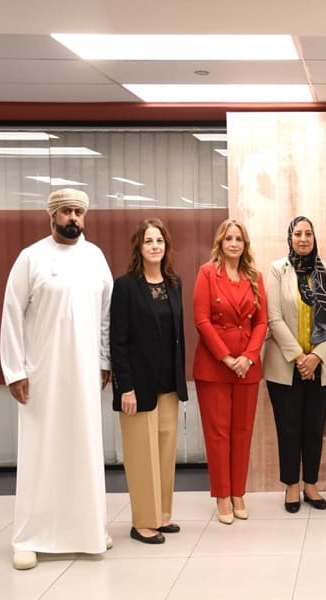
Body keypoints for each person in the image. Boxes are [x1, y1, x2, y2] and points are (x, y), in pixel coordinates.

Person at [0, 189, 113, 570]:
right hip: (41, 374)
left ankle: (88, 529)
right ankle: (29, 537)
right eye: (67, 211)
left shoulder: (95, 257)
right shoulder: (30, 258)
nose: (74, 218)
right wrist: (14, 370)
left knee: (83, 448)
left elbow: (105, 315)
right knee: (42, 452)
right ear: (52, 216)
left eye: (79, 211)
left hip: (84, 375)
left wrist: (104, 359)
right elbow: (12, 313)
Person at [110, 218, 187, 544]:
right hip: (138, 387)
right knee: (142, 455)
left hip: (169, 385)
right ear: (139, 248)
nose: (155, 246)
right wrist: (124, 386)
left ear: (166, 246)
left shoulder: (174, 283)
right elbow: (118, 339)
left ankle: (162, 516)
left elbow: (176, 337)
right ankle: (142, 521)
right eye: (148, 241)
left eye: (159, 241)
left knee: (165, 453)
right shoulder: (126, 286)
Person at [193, 219, 267, 524]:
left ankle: (238, 493)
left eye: (239, 239)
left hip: (246, 368)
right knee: (218, 434)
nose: (234, 243)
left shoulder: (255, 276)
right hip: (214, 367)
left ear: (245, 244)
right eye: (228, 238)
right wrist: (226, 357)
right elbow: (201, 320)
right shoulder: (207, 273)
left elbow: (261, 322)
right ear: (220, 243)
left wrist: (248, 357)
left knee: (242, 433)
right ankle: (222, 496)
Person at [264, 216, 326, 513]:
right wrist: (299, 357)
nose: (304, 239)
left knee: (313, 428)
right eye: (298, 233)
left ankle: (311, 484)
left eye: (309, 233)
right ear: (290, 237)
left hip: (321, 365)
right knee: (289, 427)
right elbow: (273, 318)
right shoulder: (277, 270)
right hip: (286, 364)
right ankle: (292, 486)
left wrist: (316, 357)